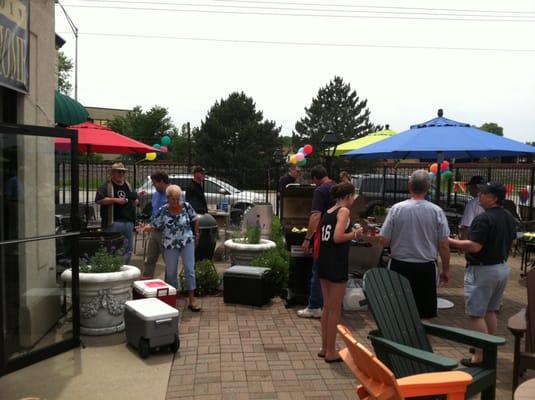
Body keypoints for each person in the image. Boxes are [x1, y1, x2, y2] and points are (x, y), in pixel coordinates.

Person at [448, 182, 516, 367]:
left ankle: (479, 357)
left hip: (483, 270)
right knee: (490, 310)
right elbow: (511, 241)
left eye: (484, 193)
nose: (479, 196)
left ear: (494, 198)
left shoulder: (483, 219)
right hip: (501, 267)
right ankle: (487, 346)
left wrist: (449, 241)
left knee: (476, 314)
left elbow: (475, 246)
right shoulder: (508, 217)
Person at [379, 169, 450, 320]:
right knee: (425, 313)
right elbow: (444, 244)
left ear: (409, 186)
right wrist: (446, 269)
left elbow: (384, 240)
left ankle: (398, 341)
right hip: (426, 266)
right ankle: (422, 341)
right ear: (428, 187)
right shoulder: (437, 211)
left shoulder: (396, 209)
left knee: (398, 310)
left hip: (399, 265)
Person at [318, 182, 363, 362]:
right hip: (336, 263)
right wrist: (355, 234)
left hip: (324, 261)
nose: (354, 200)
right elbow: (337, 237)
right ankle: (330, 351)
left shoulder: (328, 211)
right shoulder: (344, 211)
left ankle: (324, 348)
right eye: (353, 196)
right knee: (334, 309)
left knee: (327, 308)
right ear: (349, 196)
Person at [137, 185, 202, 311]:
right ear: (168, 198)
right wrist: (145, 228)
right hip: (170, 243)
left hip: (186, 241)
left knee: (189, 269)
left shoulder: (186, 206)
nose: (176, 202)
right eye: (173, 199)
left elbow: (196, 219)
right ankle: (173, 298)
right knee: (171, 272)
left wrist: (197, 233)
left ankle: (192, 299)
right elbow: (155, 225)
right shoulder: (163, 210)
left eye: (178, 199)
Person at [298, 165, 336, 319]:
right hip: (338, 236)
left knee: (317, 271)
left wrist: (307, 239)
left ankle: (314, 306)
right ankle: (330, 305)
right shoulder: (336, 187)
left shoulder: (320, 190)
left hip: (324, 236)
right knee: (332, 273)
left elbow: (315, 216)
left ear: (315, 178)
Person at [95, 162, 138, 264]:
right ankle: (113, 270)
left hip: (128, 222)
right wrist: (115, 200)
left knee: (128, 250)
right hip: (113, 222)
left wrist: (135, 202)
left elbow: (132, 199)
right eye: (119, 172)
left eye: (123, 172)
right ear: (112, 173)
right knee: (112, 249)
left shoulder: (128, 185)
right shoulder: (106, 186)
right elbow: (99, 200)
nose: (121, 174)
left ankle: (125, 270)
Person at [142, 171, 170, 278]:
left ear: (162, 182)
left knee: (169, 261)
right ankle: (146, 281)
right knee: (149, 259)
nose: (153, 186)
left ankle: (169, 286)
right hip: (154, 231)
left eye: (154, 183)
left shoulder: (172, 194)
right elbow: (154, 212)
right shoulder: (156, 195)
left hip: (166, 232)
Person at [459, 176, 485, 240]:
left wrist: (462, 246)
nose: (469, 189)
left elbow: (466, 227)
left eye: (470, 187)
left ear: (476, 187)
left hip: (476, 240)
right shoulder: (492, 201)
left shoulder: (472, 204)